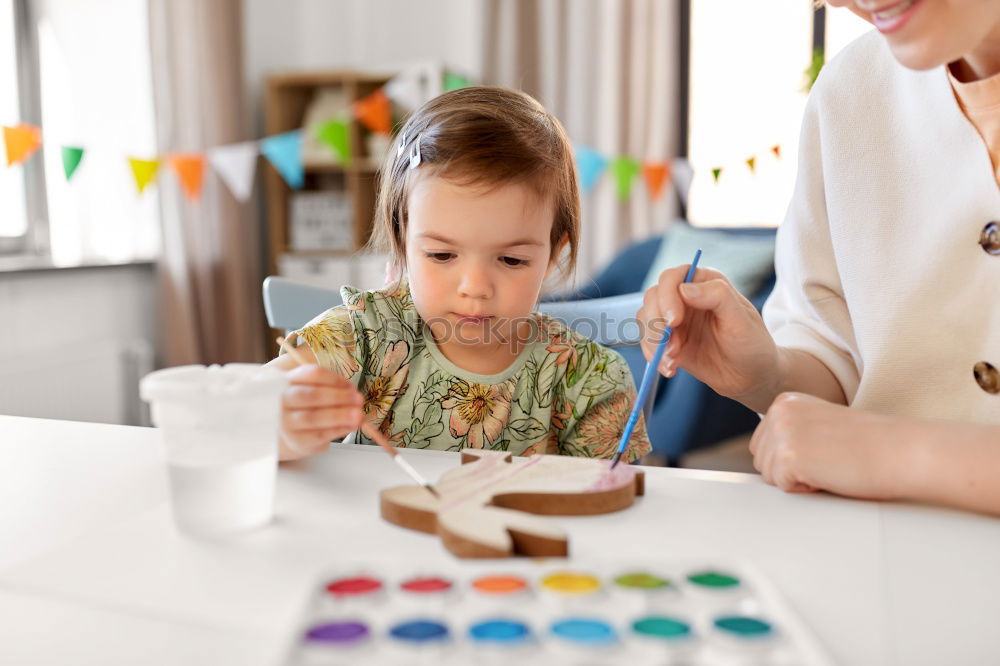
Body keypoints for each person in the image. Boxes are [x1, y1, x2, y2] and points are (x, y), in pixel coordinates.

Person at [639, 0, 1000, 515]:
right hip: (880, 564)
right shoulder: (852, 90)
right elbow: (840, 364)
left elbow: (869, 444)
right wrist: (763, 375)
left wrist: (895, 453)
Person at [268, 86, 651, 463]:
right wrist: (278, 425)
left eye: (511, 260)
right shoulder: (365, 337)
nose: (475, 288)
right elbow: (247, 408)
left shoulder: (588, 380)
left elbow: (613, 504)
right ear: (402, 242)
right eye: (442, 254)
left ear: (554, 253)